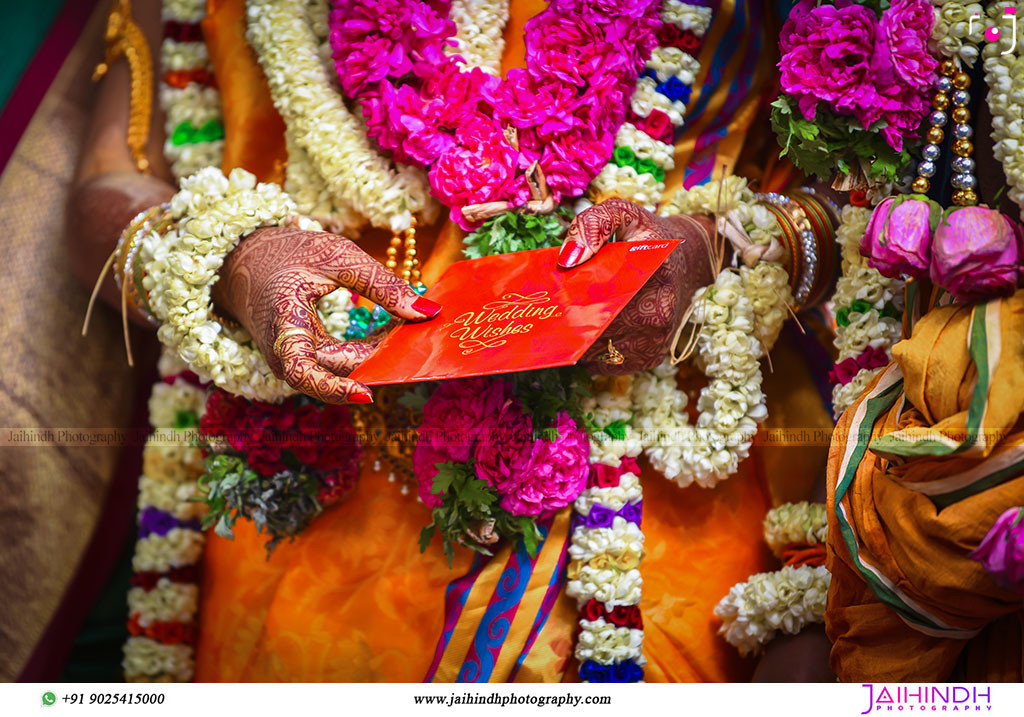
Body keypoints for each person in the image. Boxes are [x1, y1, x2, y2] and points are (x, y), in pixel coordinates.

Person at [71, 0, 837, 682]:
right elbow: (109, 178)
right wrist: (231, 264)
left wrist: (717, 247)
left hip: (648, 529)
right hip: (296, 518)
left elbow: (893, 216)